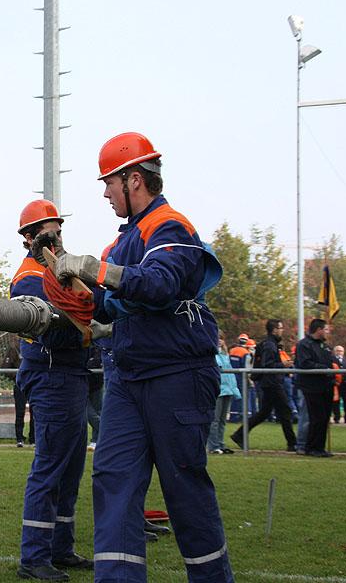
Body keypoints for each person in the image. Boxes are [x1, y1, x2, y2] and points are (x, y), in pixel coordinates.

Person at [49, 132, 233, 581]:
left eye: (109, 183)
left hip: (177, 375)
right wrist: (67, 283)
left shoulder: (170, 226)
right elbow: (107, 302)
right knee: (112, 481)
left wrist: (93, 270)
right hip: (128, 379)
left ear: (134, 179)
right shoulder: (124, 241)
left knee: (184, 487)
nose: (105, 193)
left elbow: (159, 284)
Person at [10, 199, 93, 581]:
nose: (56, 237)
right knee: (50, 465)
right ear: (29, 238)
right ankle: (34, 556)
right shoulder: (30, 276)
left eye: (58, 229)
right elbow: (48, 324)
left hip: (68, 373)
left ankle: (60, 548)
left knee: (70, 467)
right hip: (50, 373)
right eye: (47, 232)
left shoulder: (58, 270)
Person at [229, 319, 297, 451]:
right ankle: (292, 443)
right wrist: (283, 365)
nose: (282, 330)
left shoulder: (269, 344)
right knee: (285, 412)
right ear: (274, 330)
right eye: (280, 328)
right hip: (272, 383)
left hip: (270, 383)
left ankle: (239, 435)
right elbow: (268, 365)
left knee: (264, 413)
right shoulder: (270, 345)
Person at [294, 319, 334, 457]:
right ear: (319, 330)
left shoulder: (324, 346)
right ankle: (310, 447)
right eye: (326, 329)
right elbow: (305, 363)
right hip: (311, 387)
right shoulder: (304, 345)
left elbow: (330, 361)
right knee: (315, 417)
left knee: (324, 418)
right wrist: (324, 369)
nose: (328, 333)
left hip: (325, 386)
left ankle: (319, 447)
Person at [207, 332, 241, 455]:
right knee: (215, 420)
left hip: (227, 390)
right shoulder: (212, 354)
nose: (220, 341)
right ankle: (213, 446)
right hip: (218, 390)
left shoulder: (225, 355)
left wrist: (234, 390)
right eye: (217, 338)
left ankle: (220, 444)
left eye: (221, 338)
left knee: (222, 420)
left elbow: (230, 375)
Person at [2, 334, 35, 447]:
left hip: (34, 385)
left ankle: (33, 439)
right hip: (20, 386)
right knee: (20, 412)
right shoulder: (15, 347)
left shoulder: (36, 344)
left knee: (34, 412)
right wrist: (18, 377)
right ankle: (19, 439)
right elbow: (5, 368)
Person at [227, 335, 250, 422]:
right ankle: (240, 416)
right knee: (242, 396)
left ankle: (233, 416)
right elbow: (246, 367)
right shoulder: (245, 352)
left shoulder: (232, 350)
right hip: (241, 376)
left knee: (234, 396)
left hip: (231, 375)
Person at [331, 345, 346, 424]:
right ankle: (337, 418)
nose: (339, 352)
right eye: (338, 350)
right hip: (336, 384)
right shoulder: (331, 360)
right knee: (336, 402)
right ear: (334, 351)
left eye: (341, 351)